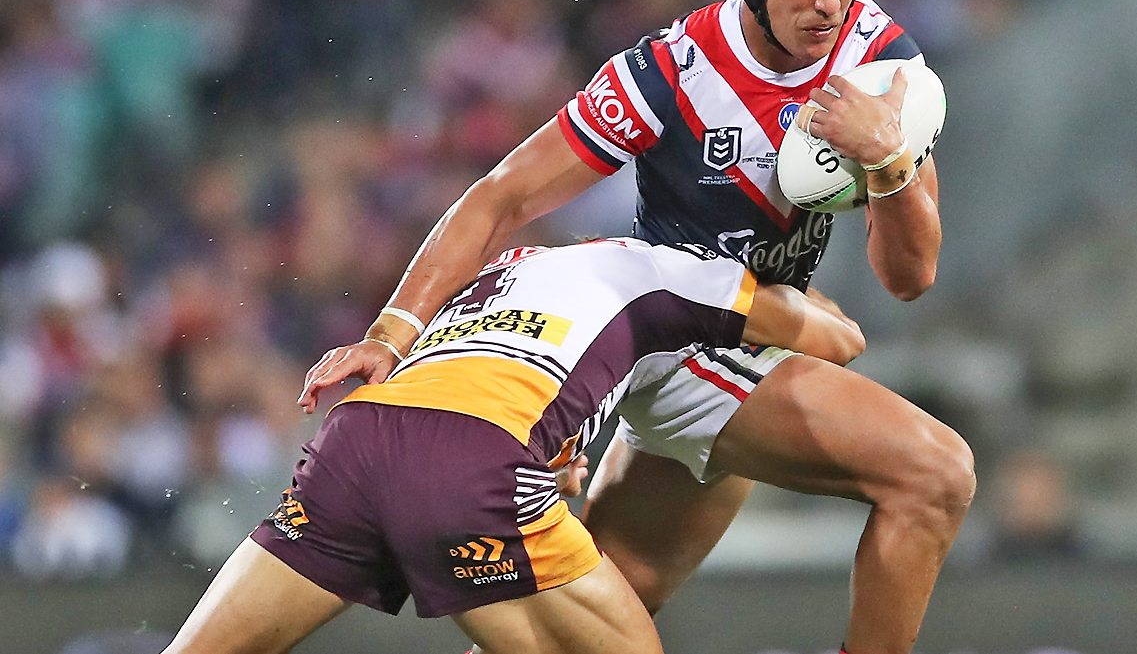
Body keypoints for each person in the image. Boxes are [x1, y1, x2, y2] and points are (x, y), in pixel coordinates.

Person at [303, 0, 976, 653]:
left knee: (585, 627)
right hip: (682, 339)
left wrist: (890, 162)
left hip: (756, 338)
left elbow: (910, 276)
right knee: (935, 475)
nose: (829, 3)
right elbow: (502, 196)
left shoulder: (882, 62)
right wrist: (390, 332)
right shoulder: (671, 70)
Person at [161, 237, 864, 654]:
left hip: (355, 442)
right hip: (473, 461)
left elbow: (490, 379)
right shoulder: (670, 270)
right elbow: (836, 340)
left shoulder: (507, 269)